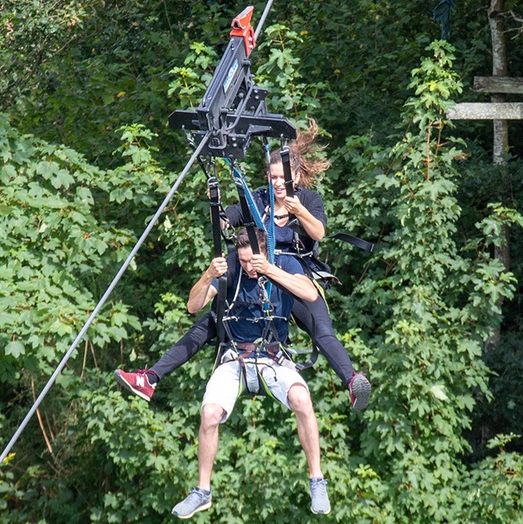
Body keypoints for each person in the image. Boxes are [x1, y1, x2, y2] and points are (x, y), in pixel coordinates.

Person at [115, 119, 371, 410]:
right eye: (273, 177)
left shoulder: (308, 200)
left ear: (296, 177)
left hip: (291, 269)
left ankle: (352, 381)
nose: (277, 183)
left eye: (282, 178)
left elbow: (318, 233)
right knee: (211, 321)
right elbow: (229, 219)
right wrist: (218, 212)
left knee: (319, 325)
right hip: (252, 266)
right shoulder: (258, 199)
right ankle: (150, 378)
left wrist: (298, 210)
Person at [170, 228, 330, 518]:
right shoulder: (232, 267)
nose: (247, 267)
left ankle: (317, 479)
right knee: (209, 414)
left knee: (302, 399)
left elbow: (310, 294)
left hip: (273, 357)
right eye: (243, 261)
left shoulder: (283, 262)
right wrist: (208, 275)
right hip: (236, 358)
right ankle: (202, 490)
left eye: (251, 261)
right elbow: (193, 306)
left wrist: (268, 269)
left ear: (266, 253)